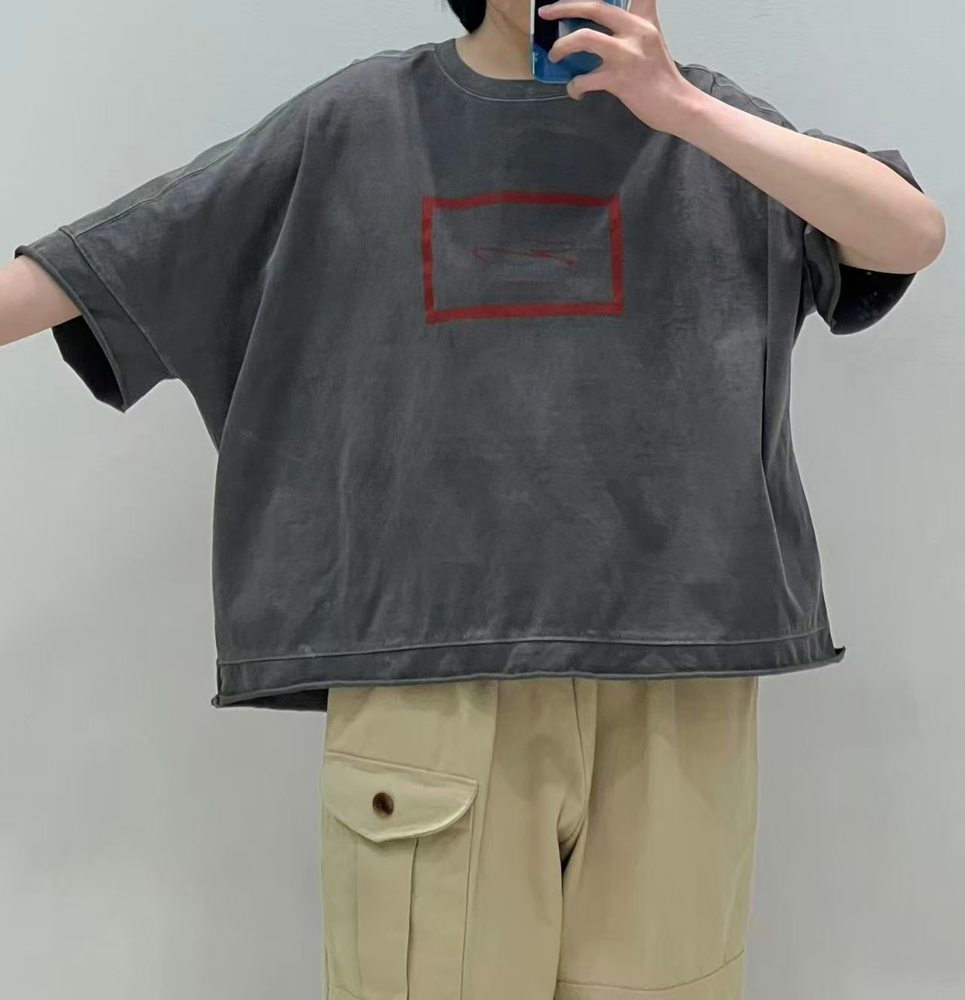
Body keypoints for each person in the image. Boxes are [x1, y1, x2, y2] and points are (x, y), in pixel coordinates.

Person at [0, 1, 945, 998]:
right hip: (432, 675)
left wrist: (676, 108)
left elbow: (909, 233)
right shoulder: (361, 120)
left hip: (680, 675)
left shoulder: (708, 124)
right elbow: (115, 258)